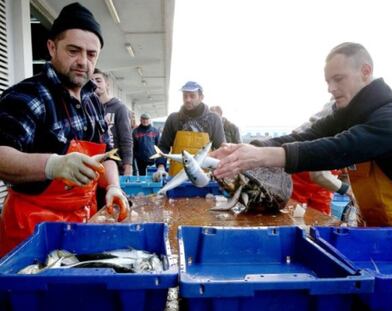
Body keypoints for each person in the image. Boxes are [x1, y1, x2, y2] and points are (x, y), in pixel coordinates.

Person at [212, 42, 392, 227]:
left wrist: (263, 157)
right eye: (328, 81)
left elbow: (340, 148)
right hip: (374, 229)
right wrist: (245, 149)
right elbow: (307, 136)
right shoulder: (345, 116)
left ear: (366, 71)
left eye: (338, 79)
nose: (331, 88)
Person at [0, 2, 129, 257]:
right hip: (31, 233)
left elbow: (109, 154)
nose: (83, 61)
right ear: (52, 47)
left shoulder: (93, 101)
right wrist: (53, 165)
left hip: (82, 223)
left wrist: (113, 186)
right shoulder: (28, 96)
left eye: (91, 54)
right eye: (73, 50)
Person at [153, 81, 225, 180]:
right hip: (176, 177)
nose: (187, 99)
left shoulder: (213, 119)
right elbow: (163, 147)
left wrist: (221, 171)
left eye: (192, 96)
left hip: (204, 178)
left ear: (201, 97)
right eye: (185, 96)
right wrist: (160, 167)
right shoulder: (173, 118)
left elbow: (221, 149)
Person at [92, 68, 133, 176]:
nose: (95, 84)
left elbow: (126, 139)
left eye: (98, 80)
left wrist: (128, 166)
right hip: (94, 168)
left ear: (107, 84)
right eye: (91, 81)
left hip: (116, 168)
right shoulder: (87, 108)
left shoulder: (119, 108)